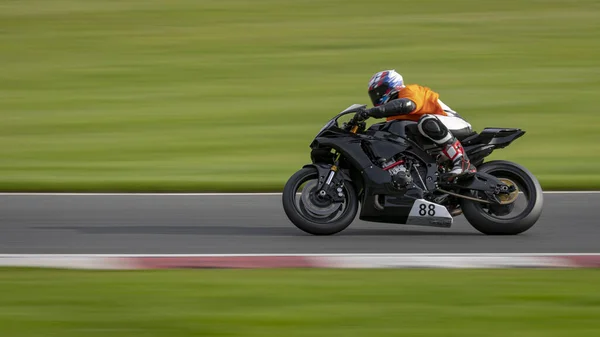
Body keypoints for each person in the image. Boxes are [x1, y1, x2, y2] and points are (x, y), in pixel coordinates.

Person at [358, 69, 476, 179]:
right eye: (373, 94)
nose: (377, 96)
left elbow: (408, 105)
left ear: (391, 85)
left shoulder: (409, 91)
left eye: (379, 91)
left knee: (426, 121)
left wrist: (370, 112)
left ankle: (462, 161)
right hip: (434, 138)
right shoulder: (392, 116)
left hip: (454, 124)